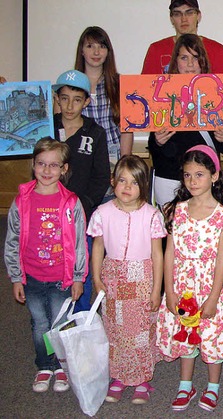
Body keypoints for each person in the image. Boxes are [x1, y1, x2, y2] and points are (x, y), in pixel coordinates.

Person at [156, 145, 223, 412]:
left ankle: (212, 386)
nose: (192, 181)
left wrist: (214, 297)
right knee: (186, 334)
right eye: (188, 175)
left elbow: (222, 260)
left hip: (210, 287)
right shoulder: (175, 210)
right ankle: (185, 384)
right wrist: (168, 291)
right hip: (182, 286)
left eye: (200, 174)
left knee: (211, 336)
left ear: (215, 176)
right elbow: (169, 253)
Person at [4, 138, 85, 394]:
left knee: (60, 324)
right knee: (40, 324)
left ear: (64, 169)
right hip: (33, 277)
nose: (47, 170)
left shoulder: (71, 203)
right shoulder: (22, 201)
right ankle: (44, 366)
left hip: (62, 277)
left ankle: (61, 365)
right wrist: (16, 277)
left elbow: (80, 241)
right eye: (41, 164)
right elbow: (12, 240)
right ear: (33, 165)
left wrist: (78, 277)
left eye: (54, 165)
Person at [86, 155, 166, 404]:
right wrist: (97, 279)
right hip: (113, 279)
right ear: (113, 182)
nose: (127, 187)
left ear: (143, 186)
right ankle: (119, 376)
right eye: (122, 180)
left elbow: (157, 254)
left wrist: (156, 290)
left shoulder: (152, 215)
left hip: (142, 279)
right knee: (116, 330)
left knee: (141, 329)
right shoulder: (102, 212)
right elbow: (98, 247)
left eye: (134, 182)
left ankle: (142, 379)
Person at [147, 34, 223, 208]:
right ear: (175, 62)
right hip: (169, 177)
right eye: (184, 57)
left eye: (195, 58)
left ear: (203, 62)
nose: (190, 64)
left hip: (205, 179)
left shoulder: (217, 93)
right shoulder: (163, 93)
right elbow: (154, 147)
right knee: (171, 231)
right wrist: (158, 141)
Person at [52, 69, 110, 312]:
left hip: (82, 212)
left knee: (82, 264)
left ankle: (82, 318)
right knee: (53, 262)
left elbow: (101, 176)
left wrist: (83, 204)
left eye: (77, 100)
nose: (69, 105)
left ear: (86, 101)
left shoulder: (95, 133)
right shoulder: (46, 128)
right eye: (64, 98)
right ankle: (55, 315)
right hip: (50, 212)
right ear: (56, 98)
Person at [73, 26, 133, 193]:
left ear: (108, 51)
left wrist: (123, 165)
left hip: (112, 157)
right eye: (90, 46)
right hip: (80, 155)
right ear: (82, 51)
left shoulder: (120, 84)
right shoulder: (71, 85)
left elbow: (126, 129)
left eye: (102, 46)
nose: (96, 52)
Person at [142, 0, 223, 75]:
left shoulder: (216, 49)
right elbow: (145, 89)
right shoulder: (156, 50)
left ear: (198, 16)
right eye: (177, 14)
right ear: (171, 19)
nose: (184, 19)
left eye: (189, 13)